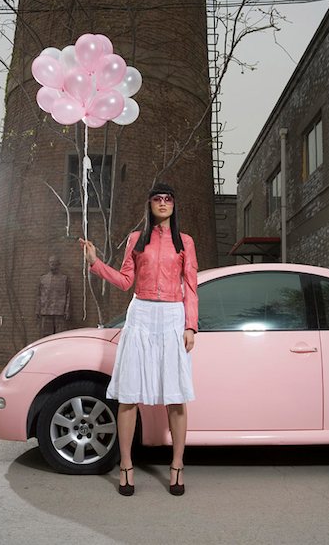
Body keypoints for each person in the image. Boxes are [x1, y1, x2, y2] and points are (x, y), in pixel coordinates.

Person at [79, 183, 198, 496]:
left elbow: (192, 287)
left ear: (174, 204)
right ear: (150, 204)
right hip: (141, 314)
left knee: (176, 395)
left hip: (173, 316)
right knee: (129, 394)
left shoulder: (185, 242)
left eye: (168, 199)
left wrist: (191, 326)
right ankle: (126, 465)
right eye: (157, 199)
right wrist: (95, 262)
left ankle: (177, 466)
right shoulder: (136, 240)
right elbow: (125, 281)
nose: (162, 203)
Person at [36, 255, 71, 337]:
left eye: (54, 263)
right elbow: (39, 295)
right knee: (45, 335)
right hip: (46, 311)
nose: (53, 265)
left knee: (60, 335)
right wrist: (38, 310)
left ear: (58, 264)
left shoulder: (64, 279)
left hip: (60, 312)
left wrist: (67, 310)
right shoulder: (43, 279)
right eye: (51, 263)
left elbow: (68, 295)